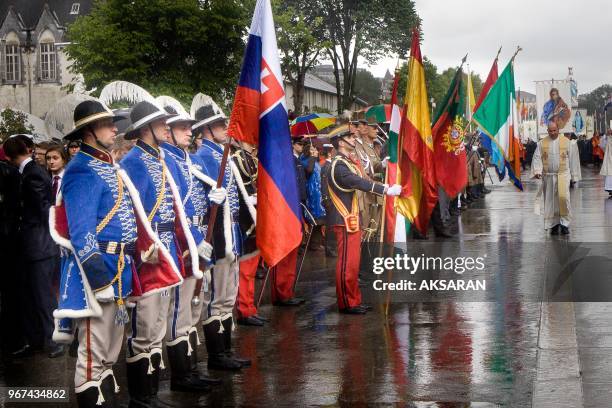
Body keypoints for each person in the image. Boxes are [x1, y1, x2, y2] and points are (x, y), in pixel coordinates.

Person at [49, 99, 184, 406]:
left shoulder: (106, 165)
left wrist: (140, 250)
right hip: (96, 275)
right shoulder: (80, 171)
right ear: (89, 132)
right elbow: (82, 235)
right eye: (107, 124)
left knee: (110, 355)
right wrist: (100, 281)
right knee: (92, 359)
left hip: (121, 267)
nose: (114, 129)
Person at [120, 100, 205, 404]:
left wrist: (186, 245)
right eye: (161, 125)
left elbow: (176, 210)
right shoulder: (132, 163)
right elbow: (130, 213)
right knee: (145, 325)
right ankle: (141, 397)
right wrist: (143, 249)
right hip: (149, 254)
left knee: (158, 326)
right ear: (146, 129)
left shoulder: (158, 160)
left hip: (168, 249)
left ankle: (151, 393)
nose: (166, 129)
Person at [159, 101, 226, 391]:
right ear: (167, 132)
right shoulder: (167, 160)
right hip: (183, 241)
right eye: (182, 127)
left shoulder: (183, 158)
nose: (190, 131)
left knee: (191, 309)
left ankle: (191, 368)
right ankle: (181, 375)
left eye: (190, 126)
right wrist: (192, 241)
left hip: (197, 237)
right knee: (179, 310)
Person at [193, 100, 257, 370]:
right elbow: (198, 202)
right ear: (207, 129)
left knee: (228, 297)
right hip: (217, 237)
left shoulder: (223, 154)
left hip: (232, 233)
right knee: (216, 298)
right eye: (220, 125)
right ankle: (217, 356)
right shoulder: (201, 159)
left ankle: (226, 351)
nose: (225, 129)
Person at [326, 125, 401, 314]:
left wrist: (384, 180)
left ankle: (354, 299)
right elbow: (357, 182)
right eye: (350, 137)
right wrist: (385, 190)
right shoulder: (338, 164)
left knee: (353, 263)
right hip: (343, 218)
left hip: (351, 217)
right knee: (346, 264)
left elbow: (364, 177)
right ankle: (346, 303)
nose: (353, 139)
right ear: (341, 142)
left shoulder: (347, 161)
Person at [3, 135, 63, 359]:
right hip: (34, 245)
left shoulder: (32, 175)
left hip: (39, 245)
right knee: (33, 295)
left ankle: (52, 339)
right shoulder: (30, 172)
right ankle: (38, 339)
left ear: (9, 156)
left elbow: (42, 210)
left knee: (42, 295)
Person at [531, 122, 580, 235]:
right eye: (550, 131)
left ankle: (564, 224)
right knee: (550, 202)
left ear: (558, 130)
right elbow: (537, 157)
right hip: (548, 176)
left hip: (563, 175)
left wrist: (574, 175)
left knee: (563, 199)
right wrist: (537, 171)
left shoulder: (567, 143)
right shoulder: (542, 143)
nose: (553, 133)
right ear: (547, 131)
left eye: (555, 130)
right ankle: (553, 224)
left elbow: (573, 159)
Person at [600, 130, 612, 198]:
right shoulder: (608, 140)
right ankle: (610, 190)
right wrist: (606, 135)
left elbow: (602, 145)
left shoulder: (608, 140)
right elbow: (601, 145)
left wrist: (605, 136)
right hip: (609, 161)